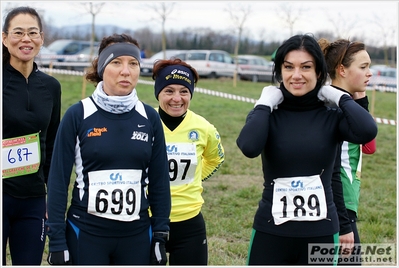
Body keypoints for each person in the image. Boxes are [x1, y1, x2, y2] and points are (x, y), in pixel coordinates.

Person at [236, 33, 378, 265]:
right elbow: (249, 147)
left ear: (319, 72)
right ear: (280, 71)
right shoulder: (269, 112)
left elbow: (367, 131)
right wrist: (263, 104)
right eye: (289, 67)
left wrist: (339, 97)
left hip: (321, 233)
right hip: (271, 231)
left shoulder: (331, 115)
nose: (297, 75)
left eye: (306, 67)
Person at [45, 33, 171, 265]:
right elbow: (58, 181)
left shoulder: (149, 117)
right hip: (86, 233)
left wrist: (161, 234)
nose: (126, 71)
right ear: (102, 68)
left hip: (136, 234)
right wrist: (56, 239)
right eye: (116, 62)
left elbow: (160, 180)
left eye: (133, 63)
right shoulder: (78, 115)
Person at [2, 6, 62, 266]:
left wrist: (52, 197)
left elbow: (51, 144)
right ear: (4, 38)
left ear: (41, 38)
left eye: (32, 33)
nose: (25, 39)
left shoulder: (50, 87)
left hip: (33, 199)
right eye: (18, 32)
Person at [152, 58, 225, 265]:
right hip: (148, 219)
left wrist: (194, 179)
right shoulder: (144, 122)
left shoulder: (204, 127)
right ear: (158, 93)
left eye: (184, 91)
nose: (177, 98)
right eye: (169, 91)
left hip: (189, 220)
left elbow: (216, 159)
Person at [319, 38, 377, 265]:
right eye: (363, 67)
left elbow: (368, 144)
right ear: (341, 70)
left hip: (346, 204)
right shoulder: (332, 107)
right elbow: (330, 171)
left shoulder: (347, 104)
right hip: (337, 206)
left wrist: (359, 97)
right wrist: (343, 223)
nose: (369, 73)